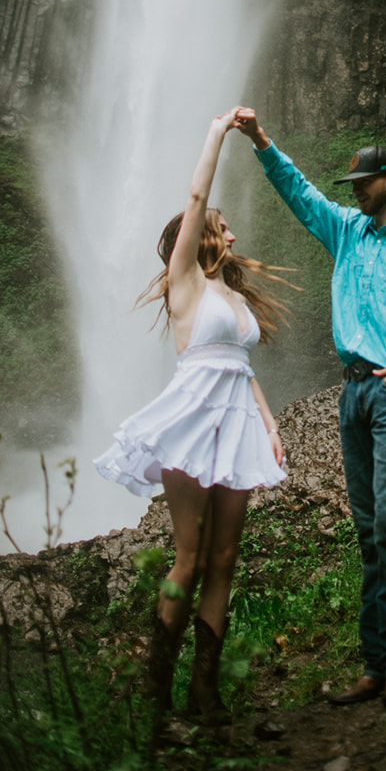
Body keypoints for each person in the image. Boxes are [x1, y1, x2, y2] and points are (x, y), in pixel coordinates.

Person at [233, 108, 386, 705]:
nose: (355, 193)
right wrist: (263, 141)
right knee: (368, 529)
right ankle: (375, 664)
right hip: (351, 395)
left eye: (363, 183)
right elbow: (300, 193)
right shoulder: (347, 230)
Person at [94, 111, 291, 723]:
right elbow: (197, 193)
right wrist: (217, 132)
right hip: (190, 422)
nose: (232, 238)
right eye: (223, 230)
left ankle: (203, 690)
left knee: (226, 558)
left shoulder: (232, 295)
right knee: (190, 554)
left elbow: (239, 365)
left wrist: (270, 421)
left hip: (235, 424)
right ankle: (157, 684)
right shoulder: (185, 284)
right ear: (198, 235)